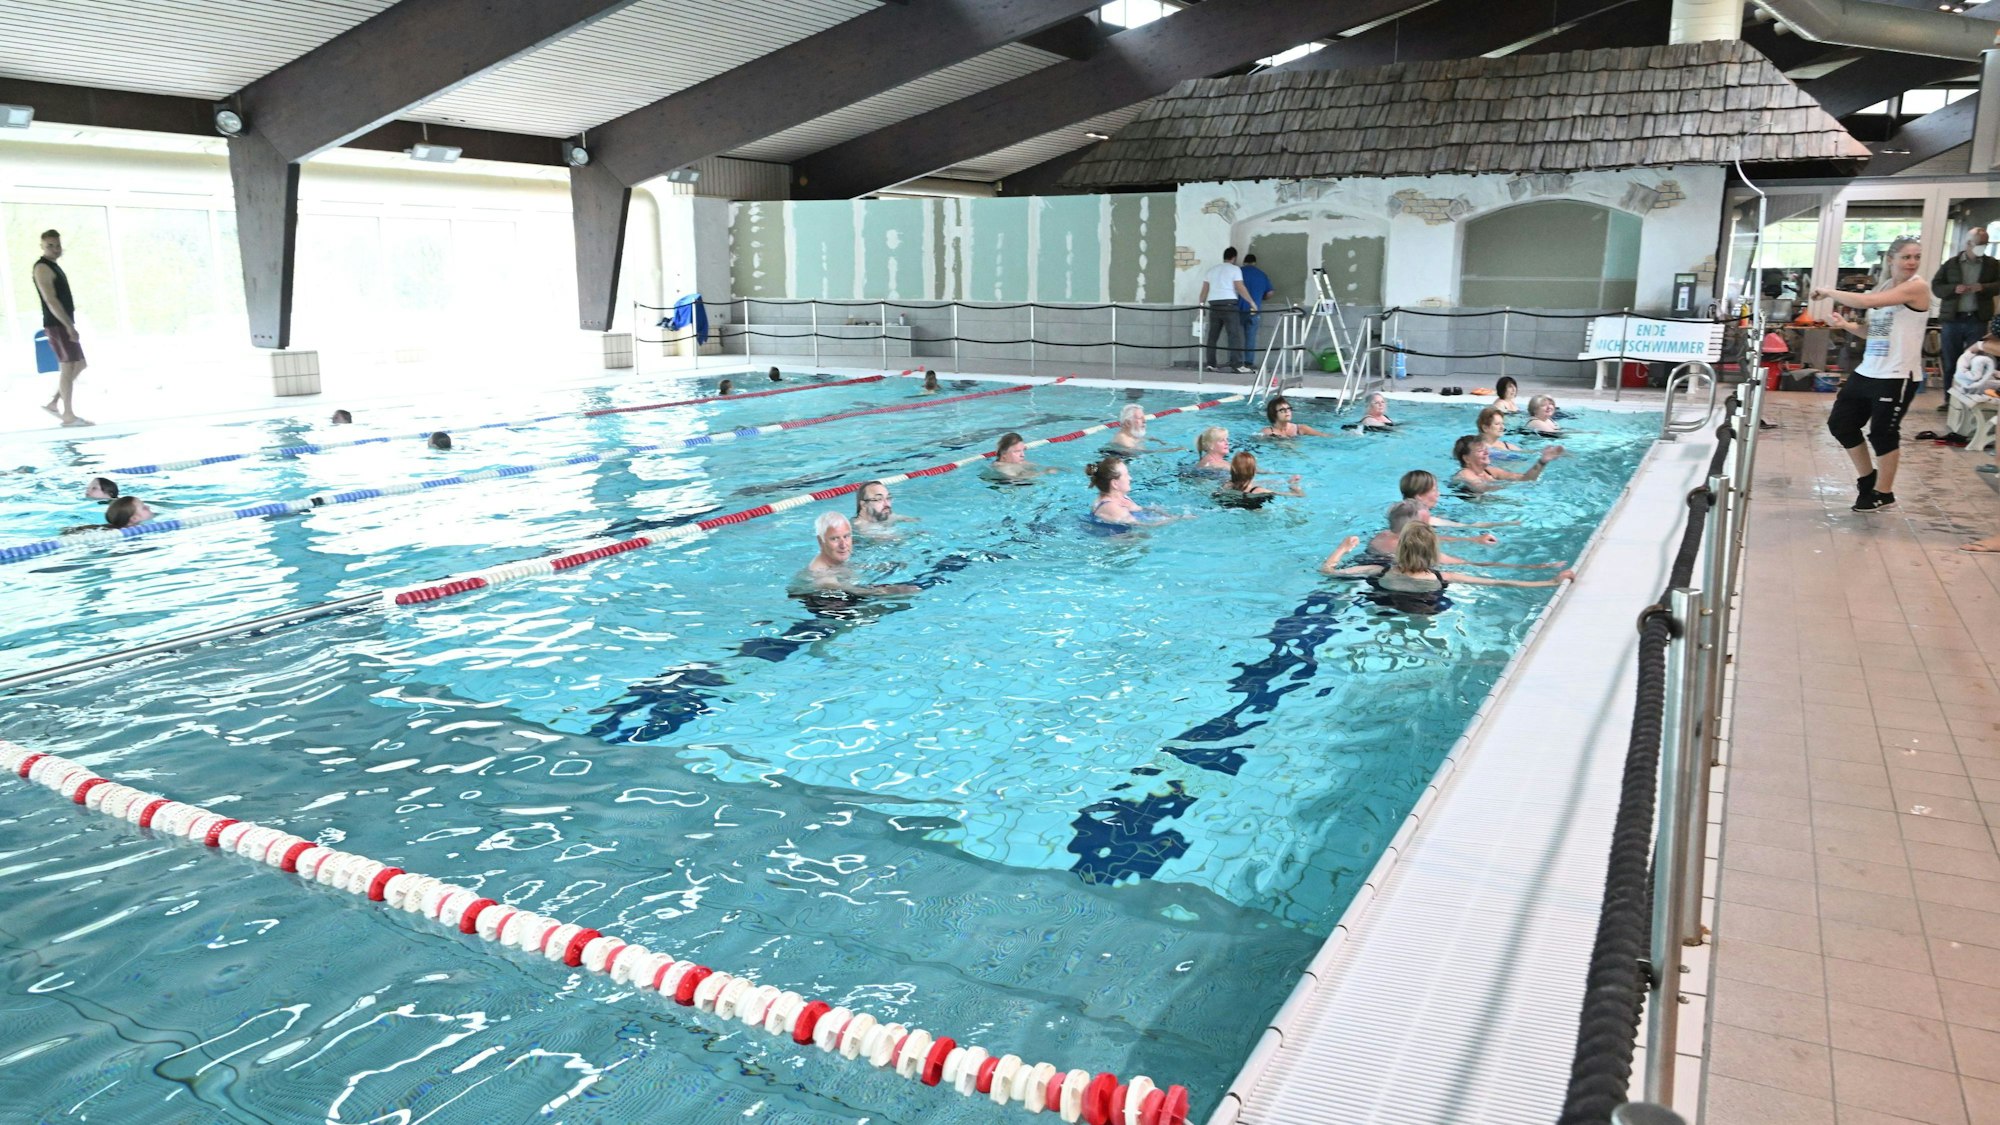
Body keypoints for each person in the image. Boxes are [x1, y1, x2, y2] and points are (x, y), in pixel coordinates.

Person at [1814, 235, 1932, 511]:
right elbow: (1873, 330)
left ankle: (1883, 492)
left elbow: (1868, 302)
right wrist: (1847, 325)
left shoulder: (1918, 287)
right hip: (1868, 371)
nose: (1912, 262)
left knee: (1882, 434)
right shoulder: (1886, 286)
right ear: (1891, 260)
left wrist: (1829, 292)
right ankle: (1868, 479)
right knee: (1841, 424)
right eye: (1906, 257)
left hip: (1897, 375)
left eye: (1916, 257)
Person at [1320, 523, 1574, 591]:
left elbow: (1328, 571)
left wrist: (1343, 548)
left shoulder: (1378, 570)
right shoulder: (1446, 576)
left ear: (1401, 550)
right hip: (1428, 606)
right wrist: (1550, 582)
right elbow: (1501, 583)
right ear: (1433, 553)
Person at [1364, 500, 1565, 568]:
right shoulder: (1403, 547)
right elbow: (1464, 563)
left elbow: (1436, 539)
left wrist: (1471, 539)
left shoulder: (1387, 534)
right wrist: (1532, 566)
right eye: (1426, 524)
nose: (1431, 528)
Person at [1931, 227, 1999, 408]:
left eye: (1985, 244)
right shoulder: (1951, 264)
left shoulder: (1992, 264)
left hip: (1977, 319)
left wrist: (1983, 288)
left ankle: (1967, 400)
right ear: (1969, 243)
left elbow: (1999, 285)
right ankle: (1948, 399)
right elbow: (1936, 287)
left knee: (1973, 362)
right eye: (1979, 244)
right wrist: (1953, 289)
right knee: (1950, 361)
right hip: (1953, 319)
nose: (1982, 248)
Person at [32, 229, 90, 427]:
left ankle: (53, 402)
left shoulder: (54, 266)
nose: (55, 249)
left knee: (80, 364)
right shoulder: (42, 268)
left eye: (57, 245)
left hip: (63, 322)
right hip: (57, 324)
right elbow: (50, 299)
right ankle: (68, 415)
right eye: (50, 246)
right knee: (68, 366)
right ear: (42, 246)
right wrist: (67, 326)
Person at [804, 512, 920, 595]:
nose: (843, 545)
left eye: (846, 536)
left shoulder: (834, 559)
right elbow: (849, 590)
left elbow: (844, 569)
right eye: (834, 539)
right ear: (821, 541)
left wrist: (878, 567)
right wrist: (890, 591)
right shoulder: (820, 573)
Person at [1197, 247, 1257, 374]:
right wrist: (1251, 302)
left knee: (1212, 336)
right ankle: (1238, 365)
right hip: (1229, 304)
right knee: (1235, 336)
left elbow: (1204, 291)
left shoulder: (1211, 270)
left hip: (1213, 304)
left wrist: (1201, 306)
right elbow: (1240, 287)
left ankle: (1211, 364)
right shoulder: (1235, 269)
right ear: (1234, 258)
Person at [1400, 469, 1517, 533]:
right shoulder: (1427, 521)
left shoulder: (1399, 513)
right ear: (1419, 495)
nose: (1438, 494)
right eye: (1434, 490)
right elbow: (1470, 526)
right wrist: (1506, 524)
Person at [1087, 455, 1186, 526]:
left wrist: (1166, 514)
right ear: (1115, 484)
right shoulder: (1110, 507)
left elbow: (1140, 510)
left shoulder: (1121, 497)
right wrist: (1178, 519)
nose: (1130, 478)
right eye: (1126, 475)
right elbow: (1146, 526)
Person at [1453, 433, 1562, 492]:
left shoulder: (1491, 471)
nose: (1487, 452)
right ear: (1466, 458)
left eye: (1486, 449)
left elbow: (1524, 479)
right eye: (1480, 450)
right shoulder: (1464, 474)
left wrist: (1542, 462)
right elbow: (1482, 488)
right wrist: (1512, 485)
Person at [1238, 253, 1275, 369]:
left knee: (1236, 337)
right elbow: (1270, 292)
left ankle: (1237, 362)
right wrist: (1261, 297)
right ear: (1254, 263)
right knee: (1251, 337)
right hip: (1254, 310)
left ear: (1244, 262)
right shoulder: (1261, 275)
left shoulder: (1238, 272)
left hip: (1237, 309)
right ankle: (1248, 362)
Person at [1219, 451, 1303, 501]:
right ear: (1254, 471)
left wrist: (1285, 482)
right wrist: (1294, 486)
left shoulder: (1227, 485)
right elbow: (1298, 495)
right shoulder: (1258, 490)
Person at [851, 480, 918, 535]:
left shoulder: (886, 515)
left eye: (888, 498)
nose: (887, 504)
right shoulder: (861, 527)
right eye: (879, 499)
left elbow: (911, 519)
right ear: (864, 504)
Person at [1107, 403, 1174, 452]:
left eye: (1144, 418)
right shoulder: (1123, 440)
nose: (1144, 421)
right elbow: (1140, 453)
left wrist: (1159, 441)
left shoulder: (1131, 434)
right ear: (1128, 423)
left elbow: (1144, 438)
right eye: (1140, 418)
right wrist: (1168, 450)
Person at [990, 431, 1057, 479]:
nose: (1023, 455)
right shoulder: (1002, 467)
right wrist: (1044, 472)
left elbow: (1041, 467)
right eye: (1017, 451)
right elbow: (1015, 480)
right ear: (1004, 453)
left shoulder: (1018, 462)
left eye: (1023, 450)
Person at [1260, 395, 1329, 438]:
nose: (1287, 412)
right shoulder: (1268, 432)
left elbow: (1324, 436)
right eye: (1282, 410)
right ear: (1273, 413)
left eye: (1289, 409)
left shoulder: (1301, 429)